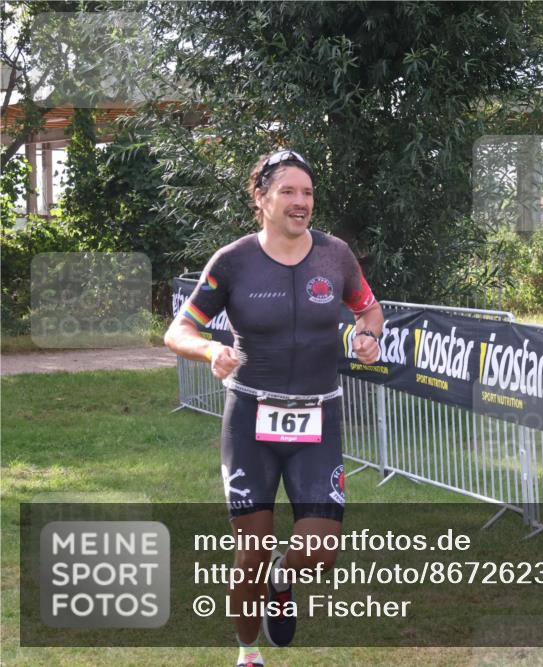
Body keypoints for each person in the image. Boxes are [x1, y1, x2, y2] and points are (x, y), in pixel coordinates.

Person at [164, 149, 384, 667]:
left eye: (307, 192)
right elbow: (179, 330)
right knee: (251, 552)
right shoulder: (233, 261)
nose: (300, 201)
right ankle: (248, 654)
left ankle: (283, 578)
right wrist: (210, 350)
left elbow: (369, 308)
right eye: (288, 191)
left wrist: (368, 334)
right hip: (251, 421)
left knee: (320, 552)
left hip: (319, 418)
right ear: (261, 199)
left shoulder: (335, 256)